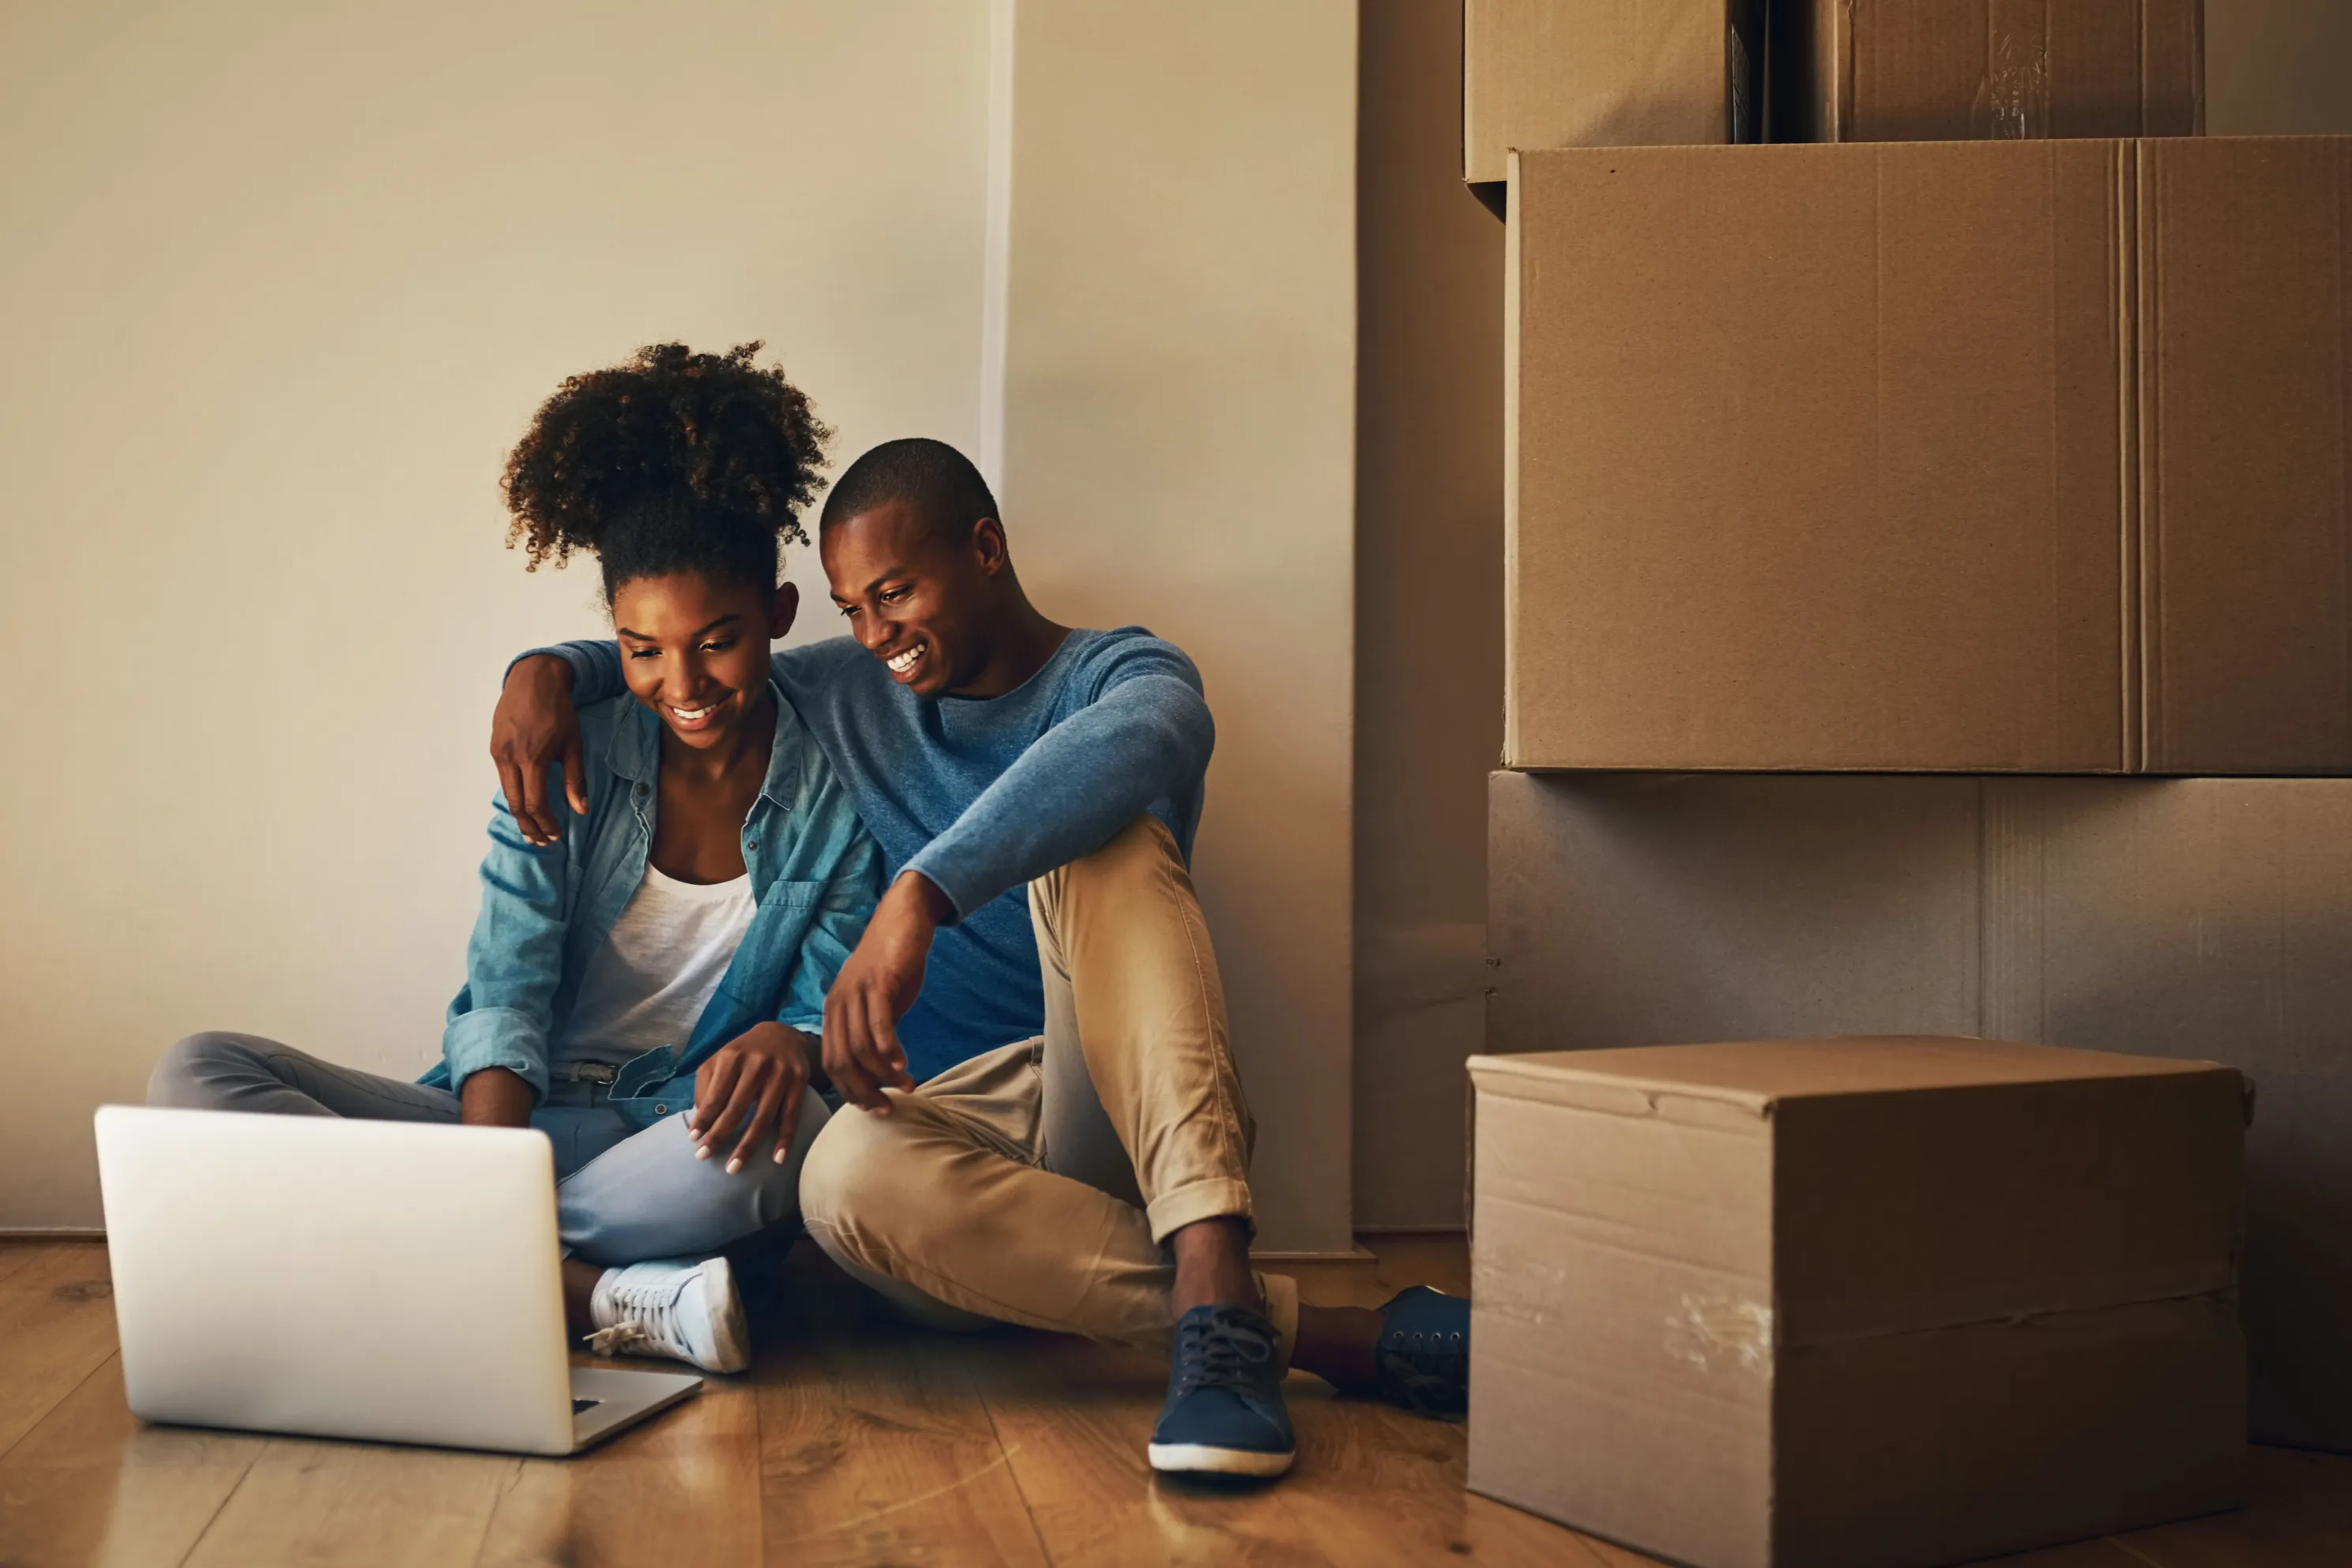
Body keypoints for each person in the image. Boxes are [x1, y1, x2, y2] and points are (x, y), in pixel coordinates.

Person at [493, 435, 1470, 1479]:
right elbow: (693, 646)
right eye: (852, 606)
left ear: (987, 549)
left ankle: (1211, 1256)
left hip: (1104, 1104)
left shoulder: (1117, 672)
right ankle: (1290, 1332)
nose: (877, 633)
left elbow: (1157, 730)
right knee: (837, 1175)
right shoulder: (853, 689)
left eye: (897, 592)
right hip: (942, 1172)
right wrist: (543, 671)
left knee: (1111, 839)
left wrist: (922, 892)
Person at [151, 344, 880, 1375]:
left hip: (667, 1141)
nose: (685, 683)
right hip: (502, 1113)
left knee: (794, 1138)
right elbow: (507, 986)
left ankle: (390, 1259)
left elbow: (822, 1004)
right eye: (642, 649)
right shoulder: (565, 747)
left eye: (717, 641)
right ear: (613, 639)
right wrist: (485, 1185)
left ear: (779, 616)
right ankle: (600, 1296)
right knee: (198, 1073)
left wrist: (794, 1044)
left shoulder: (837, 786)